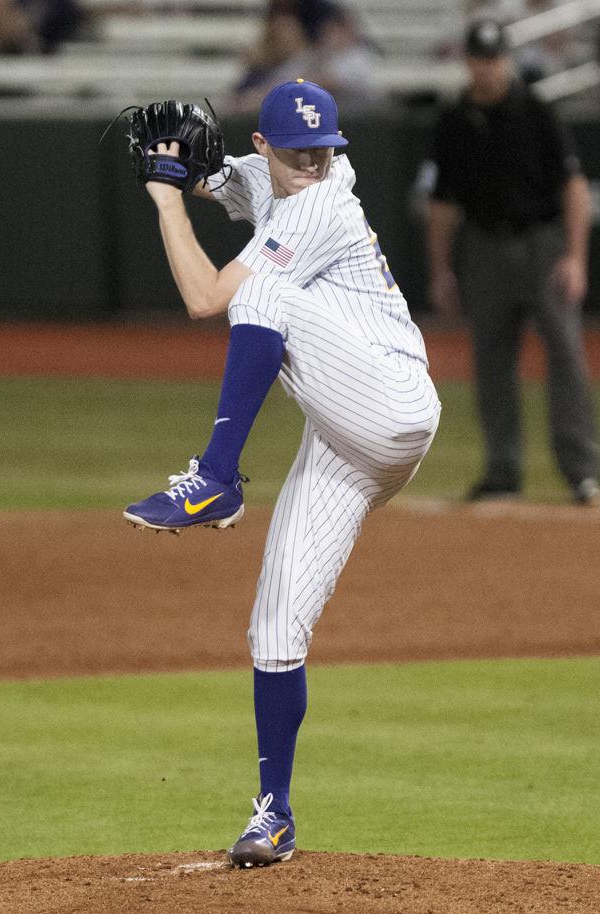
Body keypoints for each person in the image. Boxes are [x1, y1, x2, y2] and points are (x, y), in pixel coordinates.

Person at [124, 79, 440, 867]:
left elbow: (206, 297)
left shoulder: (321, 202)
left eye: (325, 149)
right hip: (343, 432)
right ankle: (274, 815)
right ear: (267, 146)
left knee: (260, 285)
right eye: (299, 152)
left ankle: (218, 477)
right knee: (274, 629)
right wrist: (178, 169)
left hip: (394, 401)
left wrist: (165, 204)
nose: (315, 162)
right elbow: (219, 175)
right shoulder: (272, 174)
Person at [427, 19, 598, 505]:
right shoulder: (455, 120)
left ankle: (581, 471)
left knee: (565, 356)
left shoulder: (535, 110)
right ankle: (503, 471)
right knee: (491, 362)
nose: (489, 68)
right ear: (469, 61)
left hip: (542, 245)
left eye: (495, 58)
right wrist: (441, 269)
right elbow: (442, 203)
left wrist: (575, 257)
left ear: (506, 59)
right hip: (484, 247)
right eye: (481, 59)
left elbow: (574, 187)